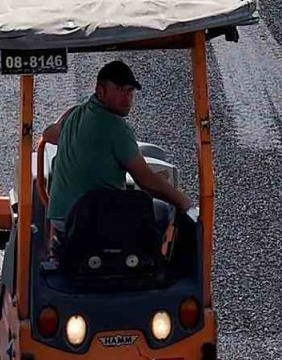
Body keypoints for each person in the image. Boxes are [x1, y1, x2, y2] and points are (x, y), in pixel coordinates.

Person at [40, 60, 194, 245]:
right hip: (90, 221)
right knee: (162, 210)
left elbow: (48, 134)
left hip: (60, 219)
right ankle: (146, 266)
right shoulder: (115, 127)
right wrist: (183, 201)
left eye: (130, 92)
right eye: (121, 90)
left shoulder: (76, 115)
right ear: (100, 91)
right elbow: (146, 181)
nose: (127, 98)